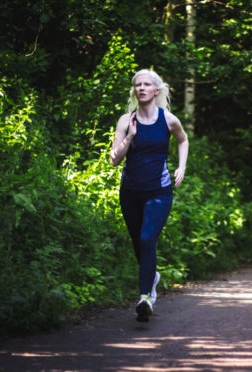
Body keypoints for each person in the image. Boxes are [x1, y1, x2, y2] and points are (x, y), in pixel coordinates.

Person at [110, 69, 189, 322]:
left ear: (157, 90)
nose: (141, 88)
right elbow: (114, 159)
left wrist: (182, 166)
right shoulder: (125, 121)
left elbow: (183, 140)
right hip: (130, 192)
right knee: (138, 243)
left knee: (147, 238)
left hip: (159, 191)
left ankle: (145, 297)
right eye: (137, 85)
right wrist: (130, 137)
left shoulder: (168, 120)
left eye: (147, 85)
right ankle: (152, 275)